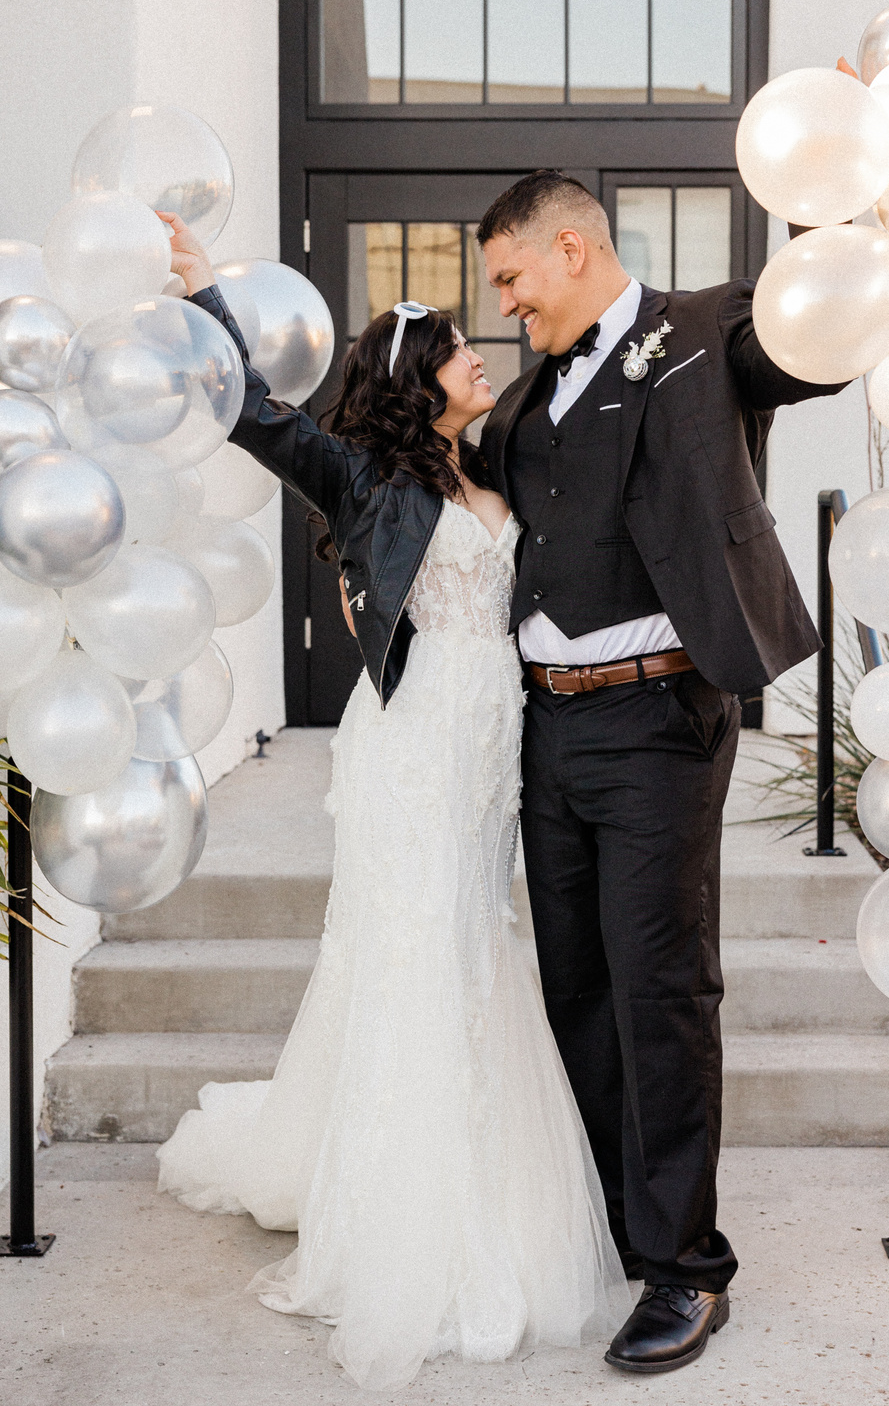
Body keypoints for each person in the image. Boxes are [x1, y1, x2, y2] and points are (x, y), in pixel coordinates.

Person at [154, 212, 630, 1391]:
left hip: (489, 751)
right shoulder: (361, 475)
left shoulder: (497, 461)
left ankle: (487, 1183)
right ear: (420, 381)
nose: (483, 356)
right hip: (409, 752)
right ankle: (406, 1221)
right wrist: (207, 293)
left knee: (477, 942)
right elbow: (258, 418)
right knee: (417, 952)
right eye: (462, 348)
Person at [475, 170, 850, 1374]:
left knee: (659, 989)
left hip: (655, 726)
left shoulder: (702, 333)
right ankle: (615, 1225)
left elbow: (813, 342)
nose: (506, 302)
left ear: (571, 247)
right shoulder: (528, 395)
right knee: (576, 988)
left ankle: (686, 1268)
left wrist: (829, 204)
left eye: (512, 277)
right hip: (544, 730)